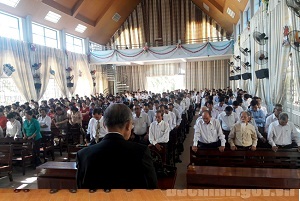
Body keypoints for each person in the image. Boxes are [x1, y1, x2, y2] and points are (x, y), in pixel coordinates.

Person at [76, 103, 158, 189]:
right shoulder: (141, 152)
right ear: (128, 125)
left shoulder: (83, 155)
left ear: (104, 125)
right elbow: (152, 188)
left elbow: (81, 191)